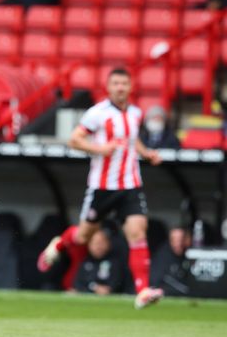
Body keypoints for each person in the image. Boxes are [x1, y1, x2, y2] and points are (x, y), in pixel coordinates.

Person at [37, 68, 165, 310]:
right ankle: (59, 244)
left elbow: (132, 139)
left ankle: (143, 290)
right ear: (108, 87)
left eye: (124, 83)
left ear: (131, 87)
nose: (120, 87)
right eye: (115, 83)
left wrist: (147, 154)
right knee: (84, 236)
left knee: (138, 232)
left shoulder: (136, 113)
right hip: (103, 187)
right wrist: (100, 150)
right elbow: (75, 139)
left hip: (130, 185)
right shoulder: (97, 114)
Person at [72, 229, 126, 295]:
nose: (99, 247)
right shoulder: (85, 262)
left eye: (101, 243)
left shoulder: (115, 263)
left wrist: (108, 289)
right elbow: (78, 283)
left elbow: (117, 283)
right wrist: (94, 288)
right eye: (96, 243)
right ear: (89, 245)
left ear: (108, 243)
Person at [151, 227, 192, 296]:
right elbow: (155, 282)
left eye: (181, 239)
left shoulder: (192, 255)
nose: (178, 243)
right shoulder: (162, 256)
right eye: (174, 240)